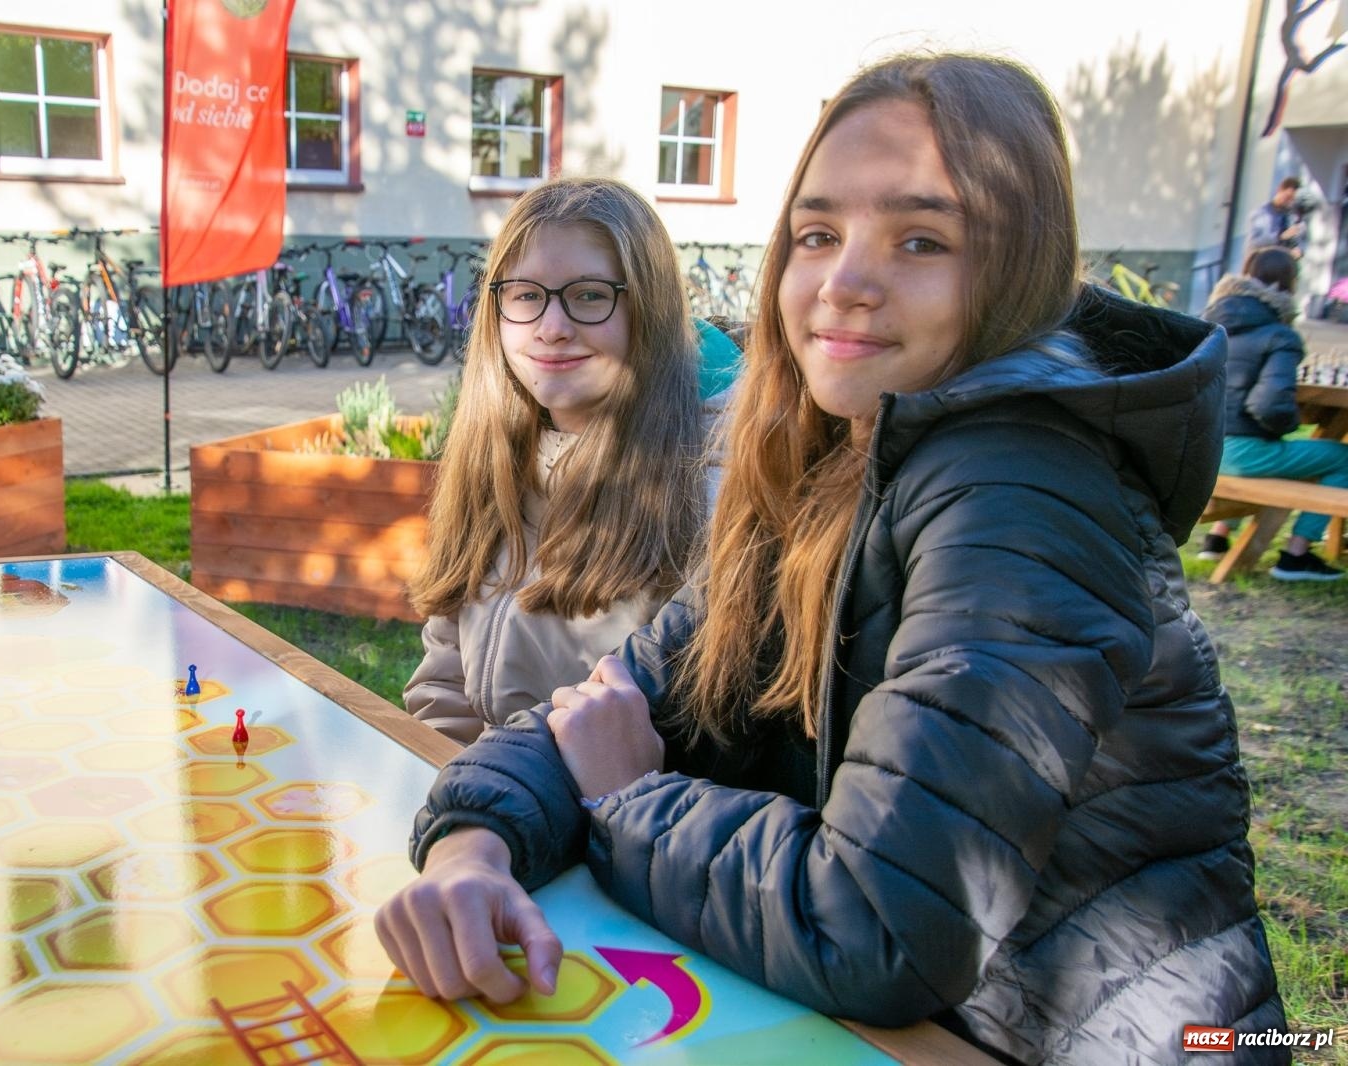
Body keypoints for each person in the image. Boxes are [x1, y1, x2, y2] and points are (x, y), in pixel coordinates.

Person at [374, 53, 1285, 1064]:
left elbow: (881, 926)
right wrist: (473, 847)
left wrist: (626, 800)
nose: (843, 284)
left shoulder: (1022, 495)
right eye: (816, 234)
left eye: (921, 239)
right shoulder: (830, 462)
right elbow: (614, 700)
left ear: (1015, 266)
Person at [402, 177, 717, 744]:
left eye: (590, 295)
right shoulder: (493, 460)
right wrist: (446, 778)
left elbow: (674, 742)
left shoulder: (701, 491)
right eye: (526, 295)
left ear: (649, 310)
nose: (551, 329)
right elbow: (443, 684)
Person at [1199, 245, 1347, 580]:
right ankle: (1296, 554)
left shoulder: (1207, 325)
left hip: (1200, 449)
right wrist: (1288, 424)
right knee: (1342, 458)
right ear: (1288, 285)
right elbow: (1269, 406)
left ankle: (1217, 537)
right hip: (1240, 455)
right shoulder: (1280, 335)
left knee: (1269, 448)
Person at [1245, 176, 1306, 258]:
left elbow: (1300, 241)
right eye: (1288, 197)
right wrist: (1281, 236)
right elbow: (1256, 241)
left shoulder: (1291, 216)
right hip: (1261, 261)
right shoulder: (1261, 212)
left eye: (1293, 200)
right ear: (1279, 190)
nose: (1289, 202)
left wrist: (1299, 250)